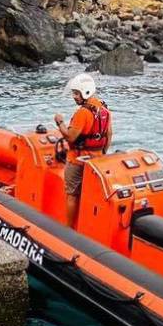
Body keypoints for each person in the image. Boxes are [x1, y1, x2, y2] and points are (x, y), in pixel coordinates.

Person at [53, 72, 112, 228]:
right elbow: (108, 134)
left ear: (85, 92)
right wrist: (102, 154)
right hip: (96, 161)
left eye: (76, 93)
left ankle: (69, 228)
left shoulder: (83, 113)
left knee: (72, 194)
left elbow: (70, 137)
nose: (74, 96)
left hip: (77, 161)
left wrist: (60, 123)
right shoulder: (104, 110)